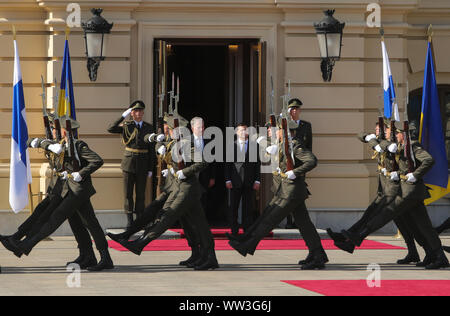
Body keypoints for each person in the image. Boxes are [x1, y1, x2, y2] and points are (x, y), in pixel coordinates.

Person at [5, 116, 114, 271]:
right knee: (80, 224)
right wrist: (42, 143)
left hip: (78, 190)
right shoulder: (58, 145)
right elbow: (31, 142)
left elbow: (97, 160)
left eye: (56, 129)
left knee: (57, 217)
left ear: (64, 131)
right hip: (66, 189)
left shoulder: (78, 145)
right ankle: (87, 256)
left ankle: (24, 246)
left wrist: (82, 173)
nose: (53, 131)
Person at [111, 115, 219, 270]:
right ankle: (209, 257)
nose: (168, 130)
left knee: (168, 215)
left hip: (187, 188)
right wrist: (159, 144)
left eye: (170, 128)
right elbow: (156, 144)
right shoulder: (174, 142)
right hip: (180, 187)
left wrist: (186, 171)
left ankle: (141, 243)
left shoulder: (187, 144)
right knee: (199, 224)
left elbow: (203, 161)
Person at [341, 122, 449, 270]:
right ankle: (435, 255)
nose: (393, 136)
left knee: (387, 213)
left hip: (410, 192)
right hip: (410, 192)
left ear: (402, 134)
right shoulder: (401, 146)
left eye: (395, 133)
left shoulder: (413, 146)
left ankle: (359, 237)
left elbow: (428, 160)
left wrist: (415, 175)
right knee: (425, 227)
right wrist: (398, 174)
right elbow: (403, 167)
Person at [228, 119, 328, 270]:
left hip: (291, 192)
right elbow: (259, 140)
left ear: (283, 131)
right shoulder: (280, 144)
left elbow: (312, 161)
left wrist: (295, 172)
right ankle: (318, 254)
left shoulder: (295, 145)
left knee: (270, 219)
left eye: (273, 129)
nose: (269, 131)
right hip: (287, 190)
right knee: (304, 224)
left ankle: (246, 245)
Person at [327, 120, 425, 265]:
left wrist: (377, 141)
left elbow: (396, 158)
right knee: (398, 223)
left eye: (381, 130)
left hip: (394, 190)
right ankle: (414, 252)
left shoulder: (392, 145)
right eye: (378, 129)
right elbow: (361, 135)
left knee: (379, 218)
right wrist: (369, 137)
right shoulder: (383, 142)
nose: (379, 132)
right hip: (385, 188)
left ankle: (351, 240)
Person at [108, 100, 155, 229]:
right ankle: (130, 221)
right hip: (129, 163)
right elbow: (110, 128)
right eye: (136, 111)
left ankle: (139, 220)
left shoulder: (148, 127)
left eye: (140, 111)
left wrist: (151, 168)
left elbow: (152, 150)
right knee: (128, 194)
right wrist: (122, 116)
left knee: (140, 194)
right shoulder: (127, 126)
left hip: (143, 164)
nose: (138, 113)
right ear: (132, 113)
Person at [225, 123, 261, 236]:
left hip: (249, 181)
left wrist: (257, 180)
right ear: (236, 132)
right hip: (235, 181)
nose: (243, 132)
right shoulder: (231, 146)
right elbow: (227, 164)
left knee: (248, 207)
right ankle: (234, 230)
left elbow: (257, 164)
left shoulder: (254, 146)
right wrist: (228, 180)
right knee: (234, 207)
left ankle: (247, 230)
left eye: (245, 130)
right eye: (240, 130)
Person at [190, 117, 216, 217]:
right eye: (199, 127)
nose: (202, 129)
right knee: (191, 200)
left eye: (203, 127)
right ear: (192, 128)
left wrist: (213, 177)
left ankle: (202, 223)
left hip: (205, 175)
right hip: (191, 175)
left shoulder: (209, 141)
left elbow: (213, 161)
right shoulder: (187, 141)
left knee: (203, 199)